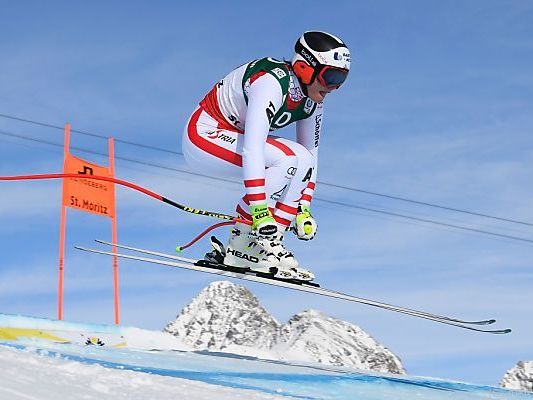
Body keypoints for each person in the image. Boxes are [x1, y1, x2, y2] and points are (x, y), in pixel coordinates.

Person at [182, 31, 350, 281]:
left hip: (235, 138)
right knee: (287, 159)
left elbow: (311, 155)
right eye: (331, 77)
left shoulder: (313, 100)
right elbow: (253, 147)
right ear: (305, 68)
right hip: (205, 134)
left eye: (342, 79)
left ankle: (267, 246)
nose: (335, 87)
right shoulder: (271, 83)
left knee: (300, 158)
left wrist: (303, 207)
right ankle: (243, 244)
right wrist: (259, 209)